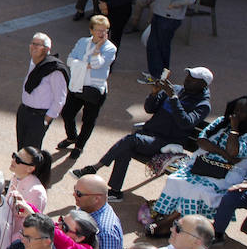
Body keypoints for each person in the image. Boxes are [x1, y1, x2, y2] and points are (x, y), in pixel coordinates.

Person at [75, 67, 213, 200]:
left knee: (130, 141)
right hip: (149, 134)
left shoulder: (202, 105)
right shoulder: (176, 89)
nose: (187, 80)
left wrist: (173, 98)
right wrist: (154, 93)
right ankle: (115, 192)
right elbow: (149, 108)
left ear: (202, 84)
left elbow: (186, 123)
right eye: (188, 76)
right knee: (126, 148)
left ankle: (95, 167)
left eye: (192, 79)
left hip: (167, 143)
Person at [147, 96, 247, 232]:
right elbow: (201, 140)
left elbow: (234, 151)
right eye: (236, 109)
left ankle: (175, 225)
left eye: (244, 111)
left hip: (228, 174)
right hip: (203, 166)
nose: (237, 113)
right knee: (175, 180)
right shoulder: (222, 121)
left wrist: (234, 129)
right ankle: (170, 219)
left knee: (196, 190)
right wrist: (224, 154)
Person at [57, 15, 116, 161]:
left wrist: (96, 50)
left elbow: (97, 64)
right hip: (77, 85)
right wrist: (85, 66)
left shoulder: (110, 48)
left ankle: (79, 146)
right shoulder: (82, 42)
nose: (102, 33)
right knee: (67, 113)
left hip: (95, 89)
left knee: (88, 120)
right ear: (91, 30)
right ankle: (72, 137)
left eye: (105, 30)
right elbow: (70, 60)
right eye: (98, 30)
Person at [143, 0, 194, 80]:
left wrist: (173, 4)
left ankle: (157, 75)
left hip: (168, 18)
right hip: (162, 15)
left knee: (156, 46)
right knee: (160, 46)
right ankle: (161, 75)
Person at [17, 33, 68, 151]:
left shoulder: (54, 70)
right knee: (21, 147)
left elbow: (60, 99)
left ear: (47, 49)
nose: (33, 47)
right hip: (24, 111)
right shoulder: (34, 62)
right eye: (32, 43)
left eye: (38, 45)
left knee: (31, 151)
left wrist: (46, 120)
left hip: (39, 116)